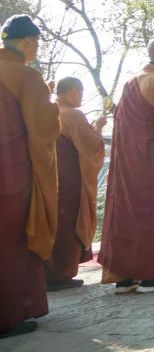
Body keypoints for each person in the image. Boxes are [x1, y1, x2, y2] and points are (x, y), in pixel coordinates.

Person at [98, 37, 154, 293]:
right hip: (151, 161)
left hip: (127, 162)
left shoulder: (130, 82)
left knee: (128, 212)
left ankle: (124, 277)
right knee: (152, 212)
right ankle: (152, 274)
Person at [0, 15, 58, 338]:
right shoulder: (26, 76)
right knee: (12, 243)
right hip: (12, 175)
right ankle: (9, 316)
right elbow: (45, 129)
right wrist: (48, 103)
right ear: (28, 43)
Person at [45, 77, 105, 291]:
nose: (80, 96)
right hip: (69, 177)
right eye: (79, 92)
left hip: (48, 176)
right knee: (68, 222)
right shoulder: (73, 114)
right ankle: (60, 273)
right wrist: (97, 128)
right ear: (71, 92)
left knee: (52, 222)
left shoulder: (48, 111)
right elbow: (92, 146)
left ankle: (46, 272)